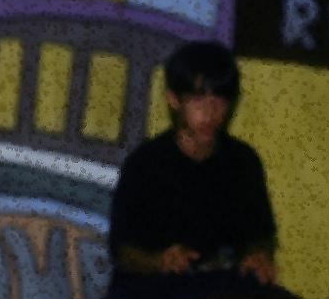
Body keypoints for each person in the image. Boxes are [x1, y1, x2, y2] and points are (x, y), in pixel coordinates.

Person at [108, 42, 277, 283]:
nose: (210, 111)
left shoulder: (243, 162)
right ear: (174, 99)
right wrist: (158, 261)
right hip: (152, 291)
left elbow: (261, 235)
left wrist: (258, 255)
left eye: (219, 98)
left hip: (221, 288)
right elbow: (123, 252)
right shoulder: (145, 164)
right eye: (198, 99)